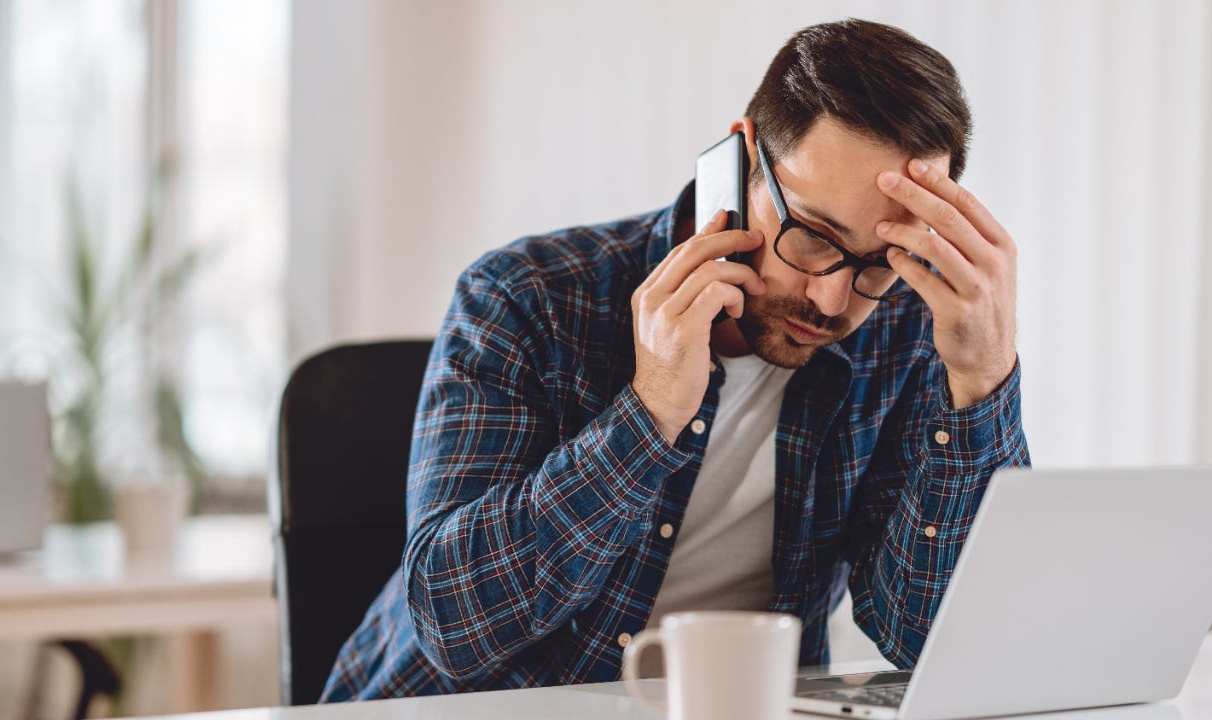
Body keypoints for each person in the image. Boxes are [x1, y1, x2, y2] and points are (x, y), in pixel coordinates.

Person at [322, 18, 1029, 701]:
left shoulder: (907, 330)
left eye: (881, 260)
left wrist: (982, 381)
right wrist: (652, 409)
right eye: (814, 235)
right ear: (742, 161)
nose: (832, 298)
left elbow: (928, 636)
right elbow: (453, 625)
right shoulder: (528, 295)